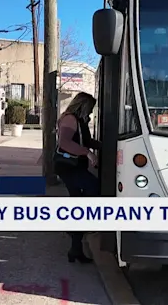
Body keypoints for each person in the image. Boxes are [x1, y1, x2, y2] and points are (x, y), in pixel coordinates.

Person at [55, 92, 102, 263]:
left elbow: (85, 141)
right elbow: (65, 143)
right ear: (83, 105)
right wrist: (87, 153)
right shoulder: (70, 119)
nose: (90, 112)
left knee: (79, 201)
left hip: (74, 166)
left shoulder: (80, 120)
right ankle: (76, 224)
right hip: (68, 167)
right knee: (94, 188)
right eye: (90, 108)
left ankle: (76, 248)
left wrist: (106, 145)